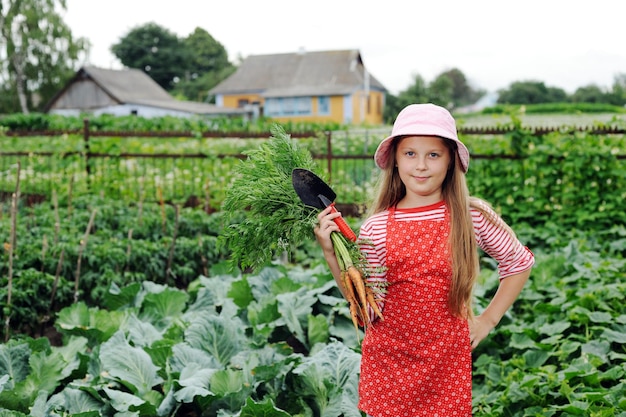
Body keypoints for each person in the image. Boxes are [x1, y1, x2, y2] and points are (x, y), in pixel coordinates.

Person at [314, 103, 534, 417]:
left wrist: (488, 320)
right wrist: (330, 253)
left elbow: (518, 262)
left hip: (446, 363)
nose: (421, 166)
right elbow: (366, 308)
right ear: (395, 161)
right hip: (388, 364)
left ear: (450, 161)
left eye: (433, 154)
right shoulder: (376, 228)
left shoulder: (470, 216)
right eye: (410, 154)